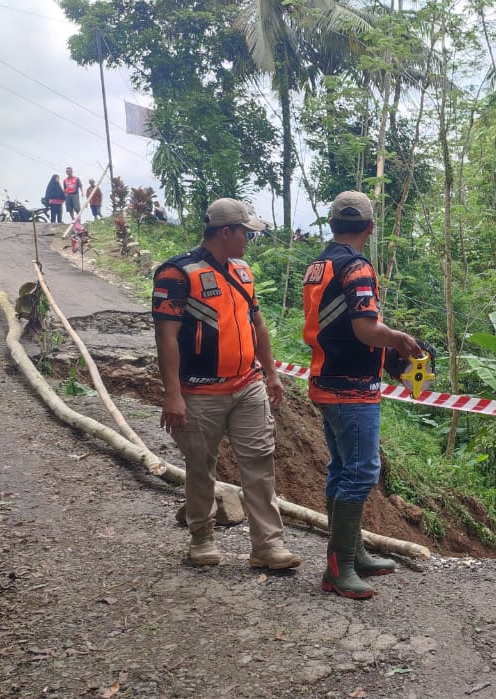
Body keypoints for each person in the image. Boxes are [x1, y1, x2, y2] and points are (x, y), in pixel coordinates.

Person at [152, 198, 302, 571]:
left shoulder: (242, 270)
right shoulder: (177, 273)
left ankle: (267, 545)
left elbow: (258, 324)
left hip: (248, 385)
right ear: (225, 232)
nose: (249, 239)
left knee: (259, 463)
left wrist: (270, 373)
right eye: (245, 233)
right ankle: (201, 536)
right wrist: (173, 396)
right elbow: (165, 336)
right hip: (199, 392)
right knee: (201, 466)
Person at [302, 190, 422, 600]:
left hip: (325, 377)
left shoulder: (319, 264)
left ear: (332, 224)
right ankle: (340, 568)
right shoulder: (356, 268)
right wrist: (400, 339)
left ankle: (352, 552)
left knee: (342, 469)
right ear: (369, 228)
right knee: (360, 472)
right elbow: (365, 330)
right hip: (351, 386)